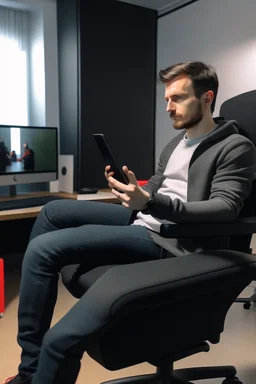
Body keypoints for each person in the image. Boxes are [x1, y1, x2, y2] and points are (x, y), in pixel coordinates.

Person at [3, 61, 256, 384]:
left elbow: (226, 207)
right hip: (149, 216)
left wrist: (150, 202)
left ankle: (31, 371)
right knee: (53, 211)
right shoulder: (176, 143)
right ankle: (33, 356)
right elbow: (156, 189)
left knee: (42, 250)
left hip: (174, 238)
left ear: (207, 99)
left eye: (177, 98)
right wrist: (132, 190)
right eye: (166, 99)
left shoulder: (235, 146)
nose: (169, 107)